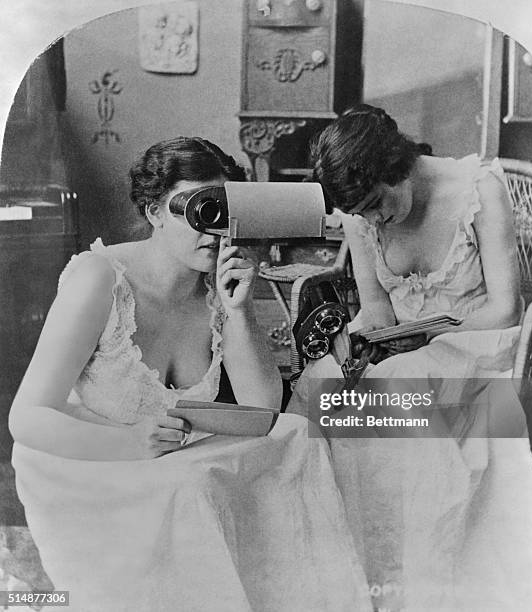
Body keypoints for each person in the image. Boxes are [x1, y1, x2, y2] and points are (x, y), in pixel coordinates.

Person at [9, 137, 374, 611]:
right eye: (196, 209)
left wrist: (238, 310)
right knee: (193, 490)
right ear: (155, 211)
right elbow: (27, 418)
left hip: (170, 453)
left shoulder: (216, 287)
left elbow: (262, 411)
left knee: (299, 436)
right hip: (89, 462)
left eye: (223, 212)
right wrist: (127, 444)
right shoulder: (99, 279)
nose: (213, 230)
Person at [288, 106, 532, 611]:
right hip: (407, 349)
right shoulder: (359, 217)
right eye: (361, 213)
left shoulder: (480, 190)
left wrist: (425, 340)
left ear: (399, 165)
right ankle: (349, 577)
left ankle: (417, 586)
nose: (372, 220)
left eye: (377, 204)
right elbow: (375, 311)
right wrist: (361, 344)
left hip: (481, 345)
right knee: (321, 384)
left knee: (400, 386)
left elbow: (505, 309)